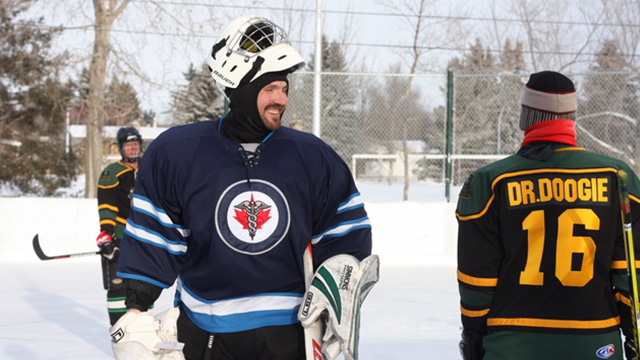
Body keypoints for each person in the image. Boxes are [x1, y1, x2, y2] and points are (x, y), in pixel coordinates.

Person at [109, 16, 378, 360]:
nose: (281, 99)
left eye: (284, 88)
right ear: (241, 90)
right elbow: (157, 234)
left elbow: (344, 232)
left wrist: (337, 299)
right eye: (270, 89)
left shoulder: (313, 156)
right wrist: (135, 309)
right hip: (205, 333)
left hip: (290, 334)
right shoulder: (178, 152)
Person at [456, 70, 640, 360]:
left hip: (512, 343)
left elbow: (477, 278)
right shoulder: (617, 176)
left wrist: (473, 333)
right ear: (571, 117)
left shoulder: (490, 181)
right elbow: (629, 270)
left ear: (526, 115)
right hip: (595, 342)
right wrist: (634, 334)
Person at [96, 126, 143, 325]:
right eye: (128, 145)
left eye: (135, 144)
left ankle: (140, 330)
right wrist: (106, 235)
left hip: (144, 239)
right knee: (117, 285)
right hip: (120, 236)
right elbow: (107, 207)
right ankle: (119, 330)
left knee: (142, 286)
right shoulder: (112, 172)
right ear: (120, 148)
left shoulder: (150, 168)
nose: (133, 148)